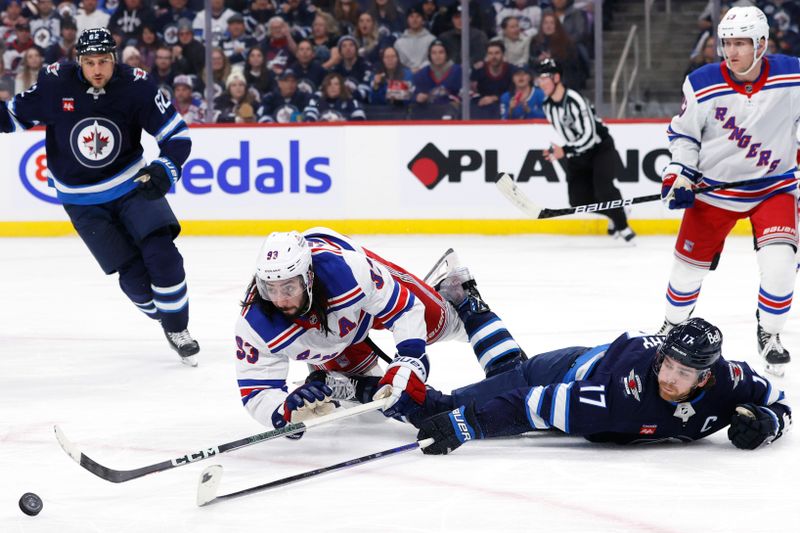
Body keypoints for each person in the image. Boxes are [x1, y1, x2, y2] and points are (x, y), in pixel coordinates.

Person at [0, 28, 200, 366]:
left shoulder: (137, 85)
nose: (97, 70)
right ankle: (165, 318)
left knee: (163, 256)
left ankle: (179, 329)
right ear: (78, 60)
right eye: (90, 62)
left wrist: (165, 168)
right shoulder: (54, 82)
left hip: (131, 185)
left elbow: (176, 136)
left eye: (104, 62)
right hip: (81, 201)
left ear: (114, 59)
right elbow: (13, 116)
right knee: (134, 280)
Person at [234, 229, 525, 431]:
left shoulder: (348, 270)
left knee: (438, 324)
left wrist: (409, 359)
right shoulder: (255, 325)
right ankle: (341, 383)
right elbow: (257, 392)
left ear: (308, 279)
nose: (280, 299)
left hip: (362, 308)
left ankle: (460, 297)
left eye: (289, 287)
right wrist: (284, 411)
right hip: (335, 341)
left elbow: (406, 310)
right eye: (270, 288)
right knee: (379, 409)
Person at [411, 315, 792, 455]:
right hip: (562, 372)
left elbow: (781, 404)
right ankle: (364, 383)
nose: (670, 378)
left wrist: (768, 424)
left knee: (507, 371)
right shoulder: (616, 396)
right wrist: (463, 424)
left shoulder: (731, 380)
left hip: (595, 374)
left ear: (707, 376)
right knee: (436, 410)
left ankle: (467, 301)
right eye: (668, 365)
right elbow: (531, 405)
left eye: (684, 373)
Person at [658, 6, 799, 377]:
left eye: (741, 43)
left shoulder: (793, 75)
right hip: (715, 192)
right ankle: (672, 325)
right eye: (727, 43)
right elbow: (684, 135)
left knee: (780, 264)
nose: (732, 51)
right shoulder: (702, 82)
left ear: (762, 43)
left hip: (774, 188)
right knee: (685, 274)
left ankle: (769, 333)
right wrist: (679, 173)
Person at [538, 57, 635, 243]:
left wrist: (565, 150)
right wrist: (557, 150)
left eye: (545, 78)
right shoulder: (547, 106)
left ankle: (624, 228)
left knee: (604, 189)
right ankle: (617, 212)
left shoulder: (575, 99)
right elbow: (569, 135)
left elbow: (589, 136)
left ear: (556, 78)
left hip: (600, 148)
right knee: (577, 201)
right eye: (540, 79)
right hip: (578, 152)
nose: (541, 83)